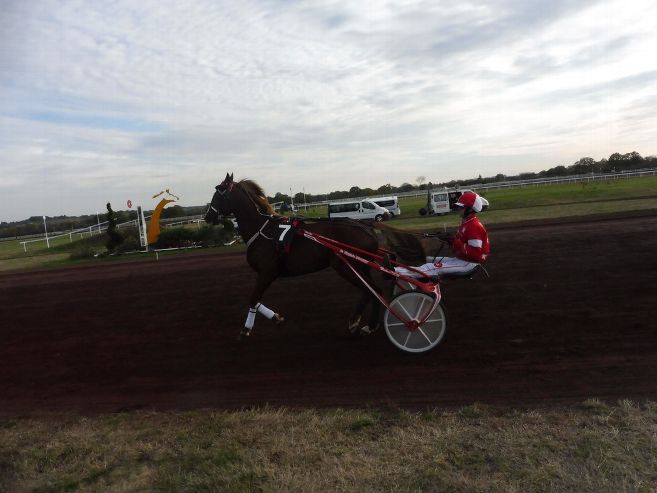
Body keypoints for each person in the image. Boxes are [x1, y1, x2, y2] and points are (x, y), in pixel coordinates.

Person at [395, 191, 490, 279]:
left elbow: (475, 253)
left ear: (470, 209)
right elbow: (461, 242)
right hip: (461, 259)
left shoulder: (474, 226)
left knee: (431, 267)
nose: (458, 209)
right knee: (427, 260)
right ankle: (399, 266)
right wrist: (448, 239)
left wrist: (454, 241)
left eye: (461, 207)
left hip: (468, 263)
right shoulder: (467, 222)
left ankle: (394, 271)